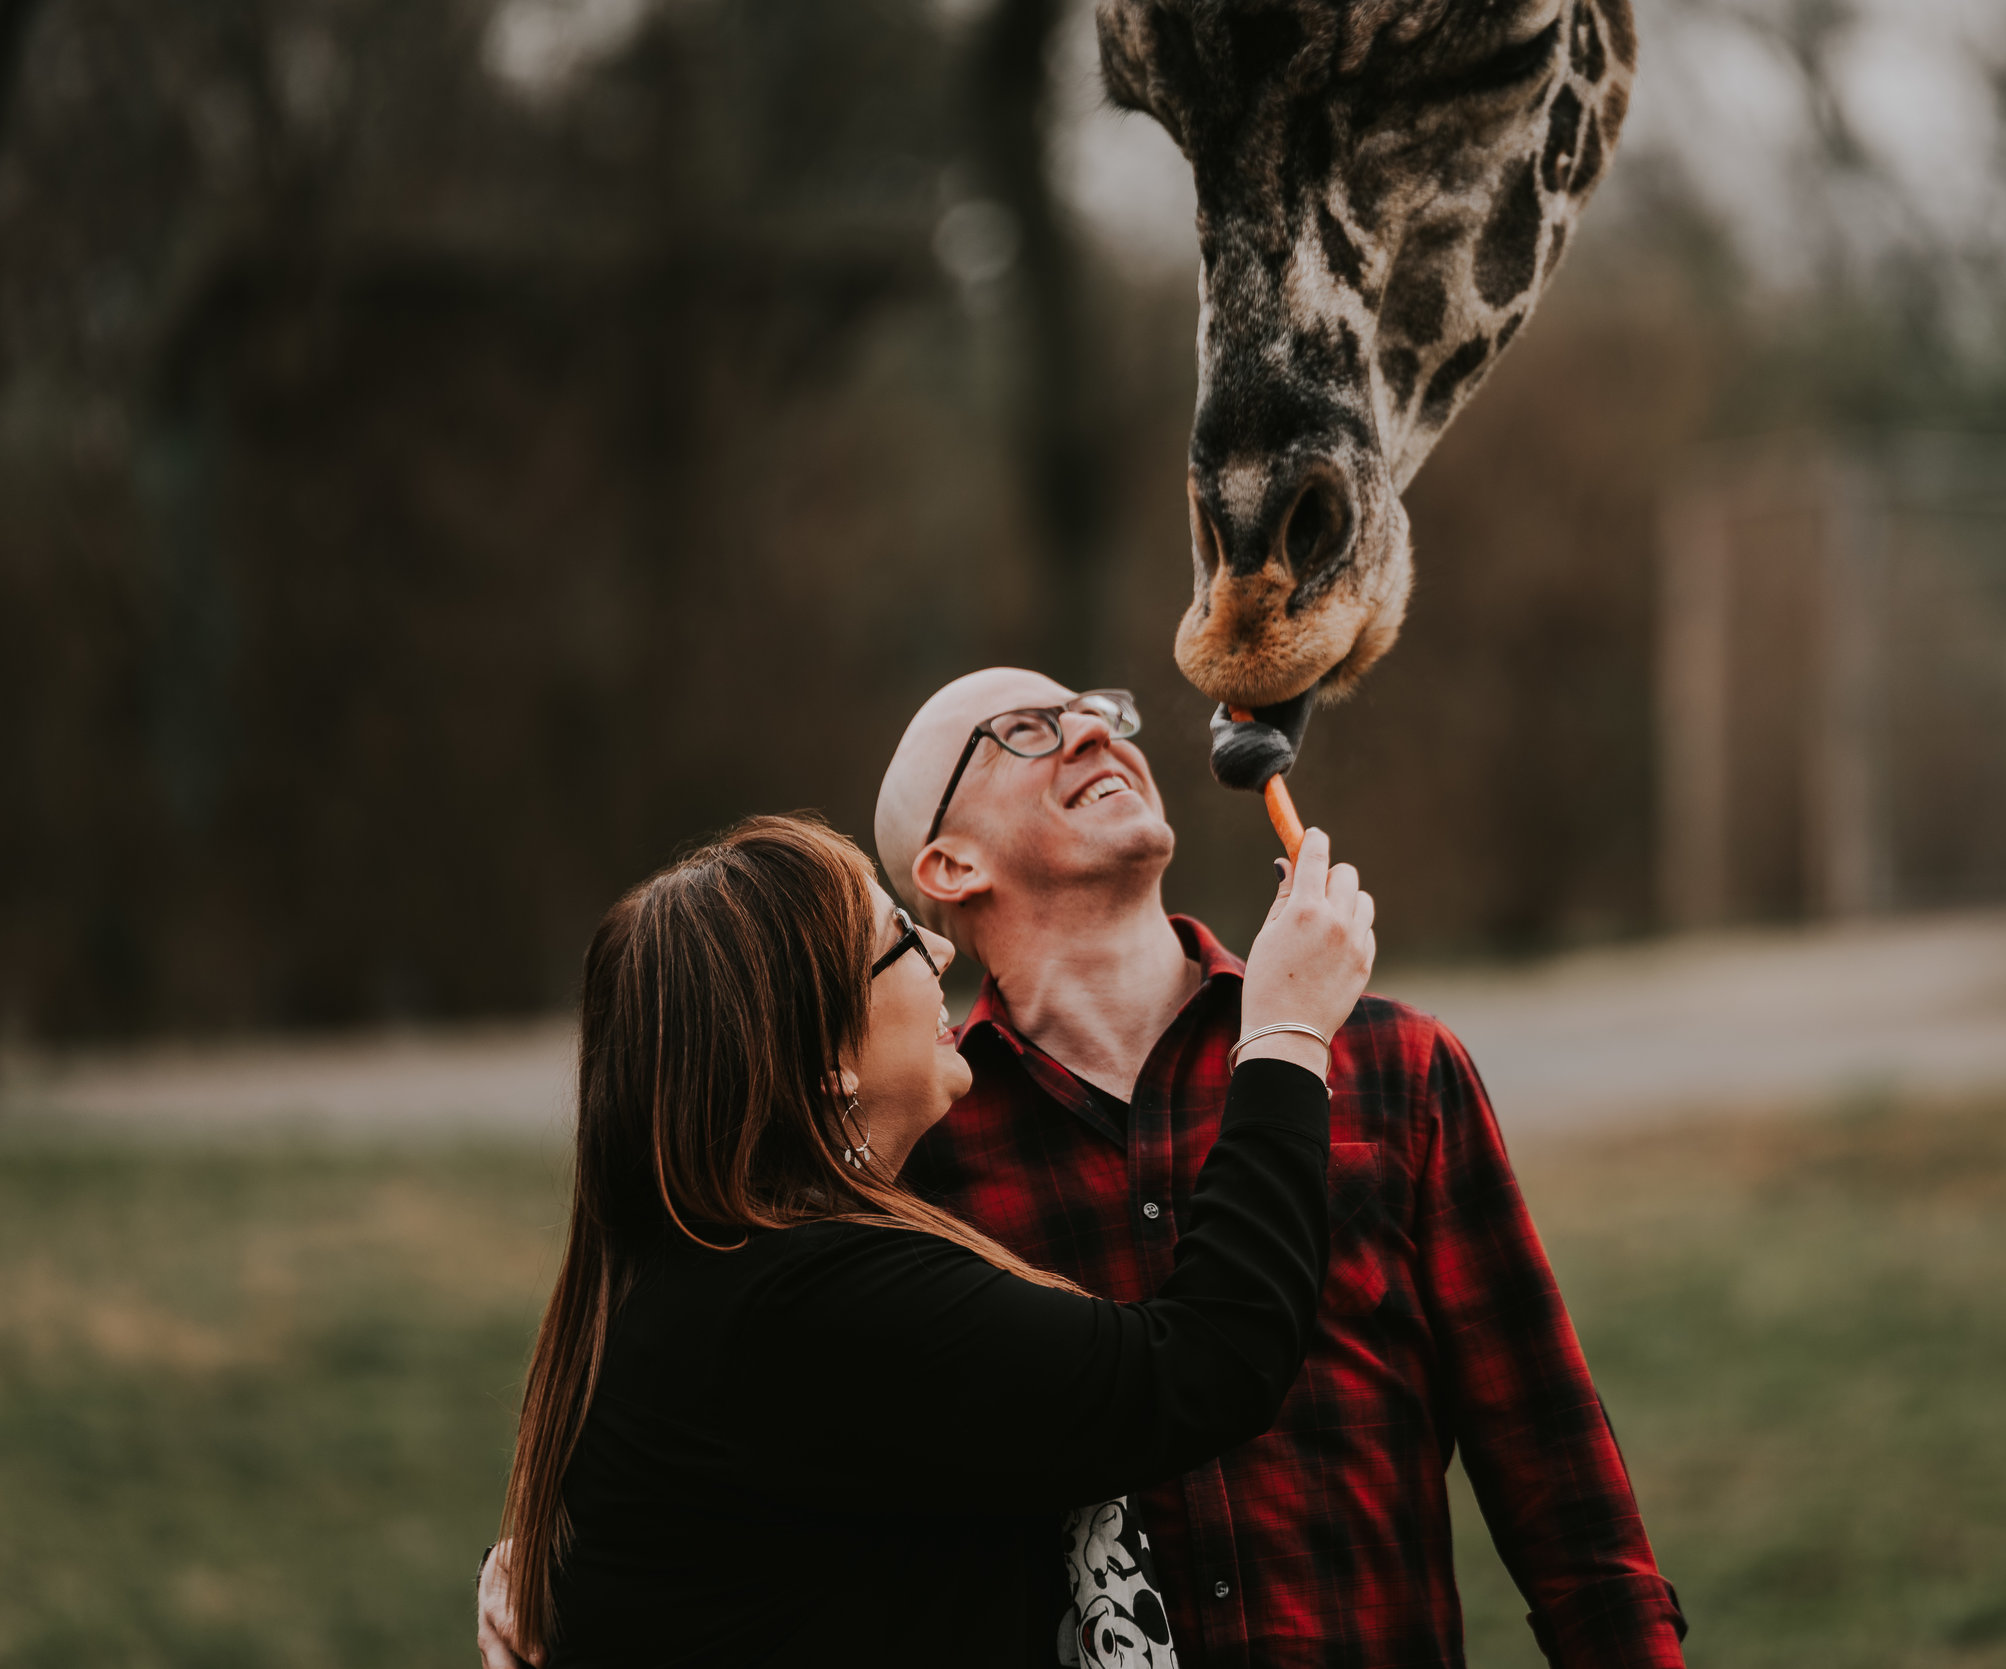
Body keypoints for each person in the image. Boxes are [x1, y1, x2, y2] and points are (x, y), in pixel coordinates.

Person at [486, 671, 1686, 1667]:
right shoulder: (894, 1181)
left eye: (1101, 709)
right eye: (1022, 729)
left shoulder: (1393, 1067)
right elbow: (1189, 1372)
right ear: (945, 872)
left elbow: (1567, 1499)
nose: (1095, 728)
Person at [483, 810, 1375, 1666]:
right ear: (828, 1060)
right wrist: (1286, 1032)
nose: (943, 950)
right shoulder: (812, 1301)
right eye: (904, 939)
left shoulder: (710, 1281)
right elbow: (1210, 1360)